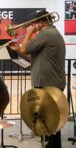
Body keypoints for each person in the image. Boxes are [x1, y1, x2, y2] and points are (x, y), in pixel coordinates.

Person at [10, 10, 66, 148]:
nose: (34, 25)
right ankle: (50, 145)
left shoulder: (47, 34)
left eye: (36, 23)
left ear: (41, 22)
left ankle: (52, 146)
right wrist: (18, 49)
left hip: (48, 81)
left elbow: (26, 49)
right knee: (50, 118)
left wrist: (29, 31)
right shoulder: (52, 34)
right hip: (51, 80)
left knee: (50, 118)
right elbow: (34, 56)